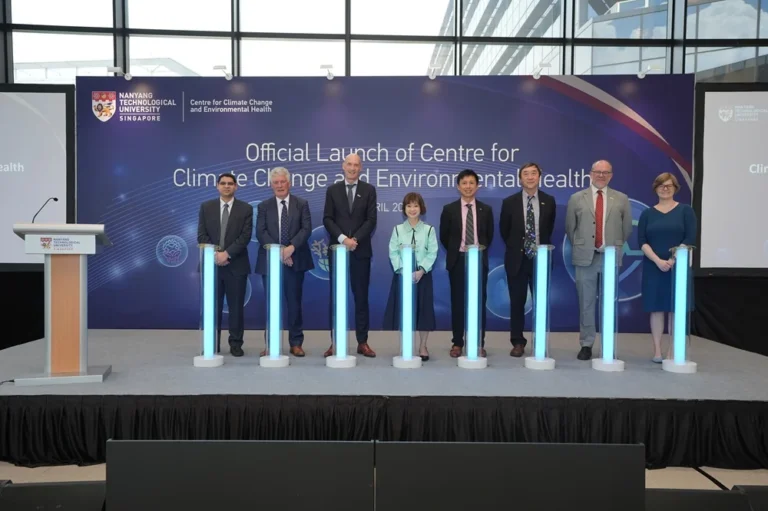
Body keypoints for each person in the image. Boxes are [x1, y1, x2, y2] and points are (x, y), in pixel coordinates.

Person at [565, 160, 633, 361]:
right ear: (591, 174)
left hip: (610, 257)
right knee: (585, 303)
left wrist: (614, 245)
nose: (601, 175)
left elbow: (627, 228)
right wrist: (584, 245)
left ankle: (607, 345)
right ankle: (586, 344)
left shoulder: (621, 198)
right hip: (585, 257)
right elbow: (570, 228)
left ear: (611, 175)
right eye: (598, 172)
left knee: (608, 303)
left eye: (606, 172)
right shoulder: (577, 198)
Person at [322, 153, 378, 358]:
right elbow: (327, 219)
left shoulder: (369, 190)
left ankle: (362, 342)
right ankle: (335, 342)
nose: (353, 168)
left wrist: (355, 240)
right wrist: (343, 239)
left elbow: (371, 220)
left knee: (361, 297)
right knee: (336, 298)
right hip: (337, 251)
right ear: (343, 166)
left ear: (361, 168)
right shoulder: (332, 190)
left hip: (360, 251)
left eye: (356, 165)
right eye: (349, 164)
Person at [255, 167, 314, 357]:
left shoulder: (301, 204)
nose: (279, 185)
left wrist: (291, 248)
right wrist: (280, 252)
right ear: (271, 185)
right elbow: (261, 232)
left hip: (295, 260)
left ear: (289, 183)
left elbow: (306, 229)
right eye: (276, 183)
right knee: (272, 304)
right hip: (270, 261)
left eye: (282, 182)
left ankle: (296, 343)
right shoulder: (264, 206)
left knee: (294, 303)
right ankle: (271, 344)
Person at [638, 172, 696, 363]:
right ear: (656, 188)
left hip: (678, 267)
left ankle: (672, 350)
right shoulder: (647, 214)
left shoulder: (685, 211)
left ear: (675, 188)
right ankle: (657, 351)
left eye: (669, 186)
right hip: (653, 266)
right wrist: (658, 261)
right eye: (662, 185)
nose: (665, 189)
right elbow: (642, 241)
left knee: (674, 309)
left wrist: (672, 259)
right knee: (656, 309)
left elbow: (690, 237)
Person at [499, 162, 556, 357]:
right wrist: (520, 247)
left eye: (533, 173)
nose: (530, 177)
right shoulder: (509, 202)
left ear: (539, 177)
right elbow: (505, 231)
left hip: (541, 259)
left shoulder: (549, 201)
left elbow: (549, 229)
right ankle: (517, 341)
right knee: (517, 302)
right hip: (517, 259)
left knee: (540, 302)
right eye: (526, 174)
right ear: (520, 178)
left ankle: (539, 340)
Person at [197, 172, 253, 357]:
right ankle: (212, 343)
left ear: (236, 186)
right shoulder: (206, 207)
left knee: (236, 308)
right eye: (223, 183)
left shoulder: (245, 209)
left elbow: (245, 237)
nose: (227, 186)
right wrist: (216, 255)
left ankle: (236, 344)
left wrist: (226, 254)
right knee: (213, 307)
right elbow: (201, 235)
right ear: (217, 186)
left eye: (230, 183)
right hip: (212, 265)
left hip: (236, 264)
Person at [440, 169, 494, 358]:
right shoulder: (449, 209)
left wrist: (476, 252)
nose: (468, 186)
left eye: (472, 183)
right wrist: (458, 251)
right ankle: (457, 343)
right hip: (458, 260)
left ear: (477, 186)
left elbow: (489, 236)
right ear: (458, 186)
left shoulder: (486, 210)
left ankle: (479, 343)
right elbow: (444, 236)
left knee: (479, 303)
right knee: (458, 303)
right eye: (464, 183)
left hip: (478, 260)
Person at [382, 192, 438, 361]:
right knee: (403, 311)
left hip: (422, 275)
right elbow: (393, 252)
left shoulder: (429, 230)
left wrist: (421, 270)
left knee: (423, 311)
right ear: (404, 209)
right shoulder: (397, 230)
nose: (412, 209)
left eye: (415, 205)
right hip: (402, 276)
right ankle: (404, 345)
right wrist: (403, 271)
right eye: (409, 206)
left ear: (421, 208)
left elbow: (432, 252)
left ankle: (423, 346)